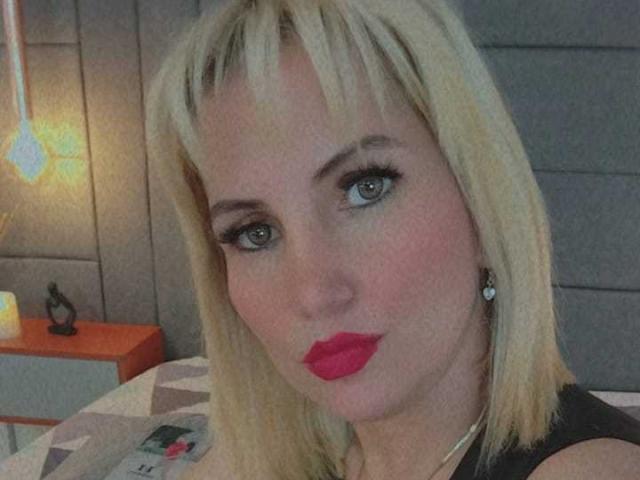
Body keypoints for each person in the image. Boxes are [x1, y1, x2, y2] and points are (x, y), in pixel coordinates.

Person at [144, 1, 640, 479]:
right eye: (255, 233)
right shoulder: (272, 457)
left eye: (366, 188)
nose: (313, 292)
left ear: (482, 205)